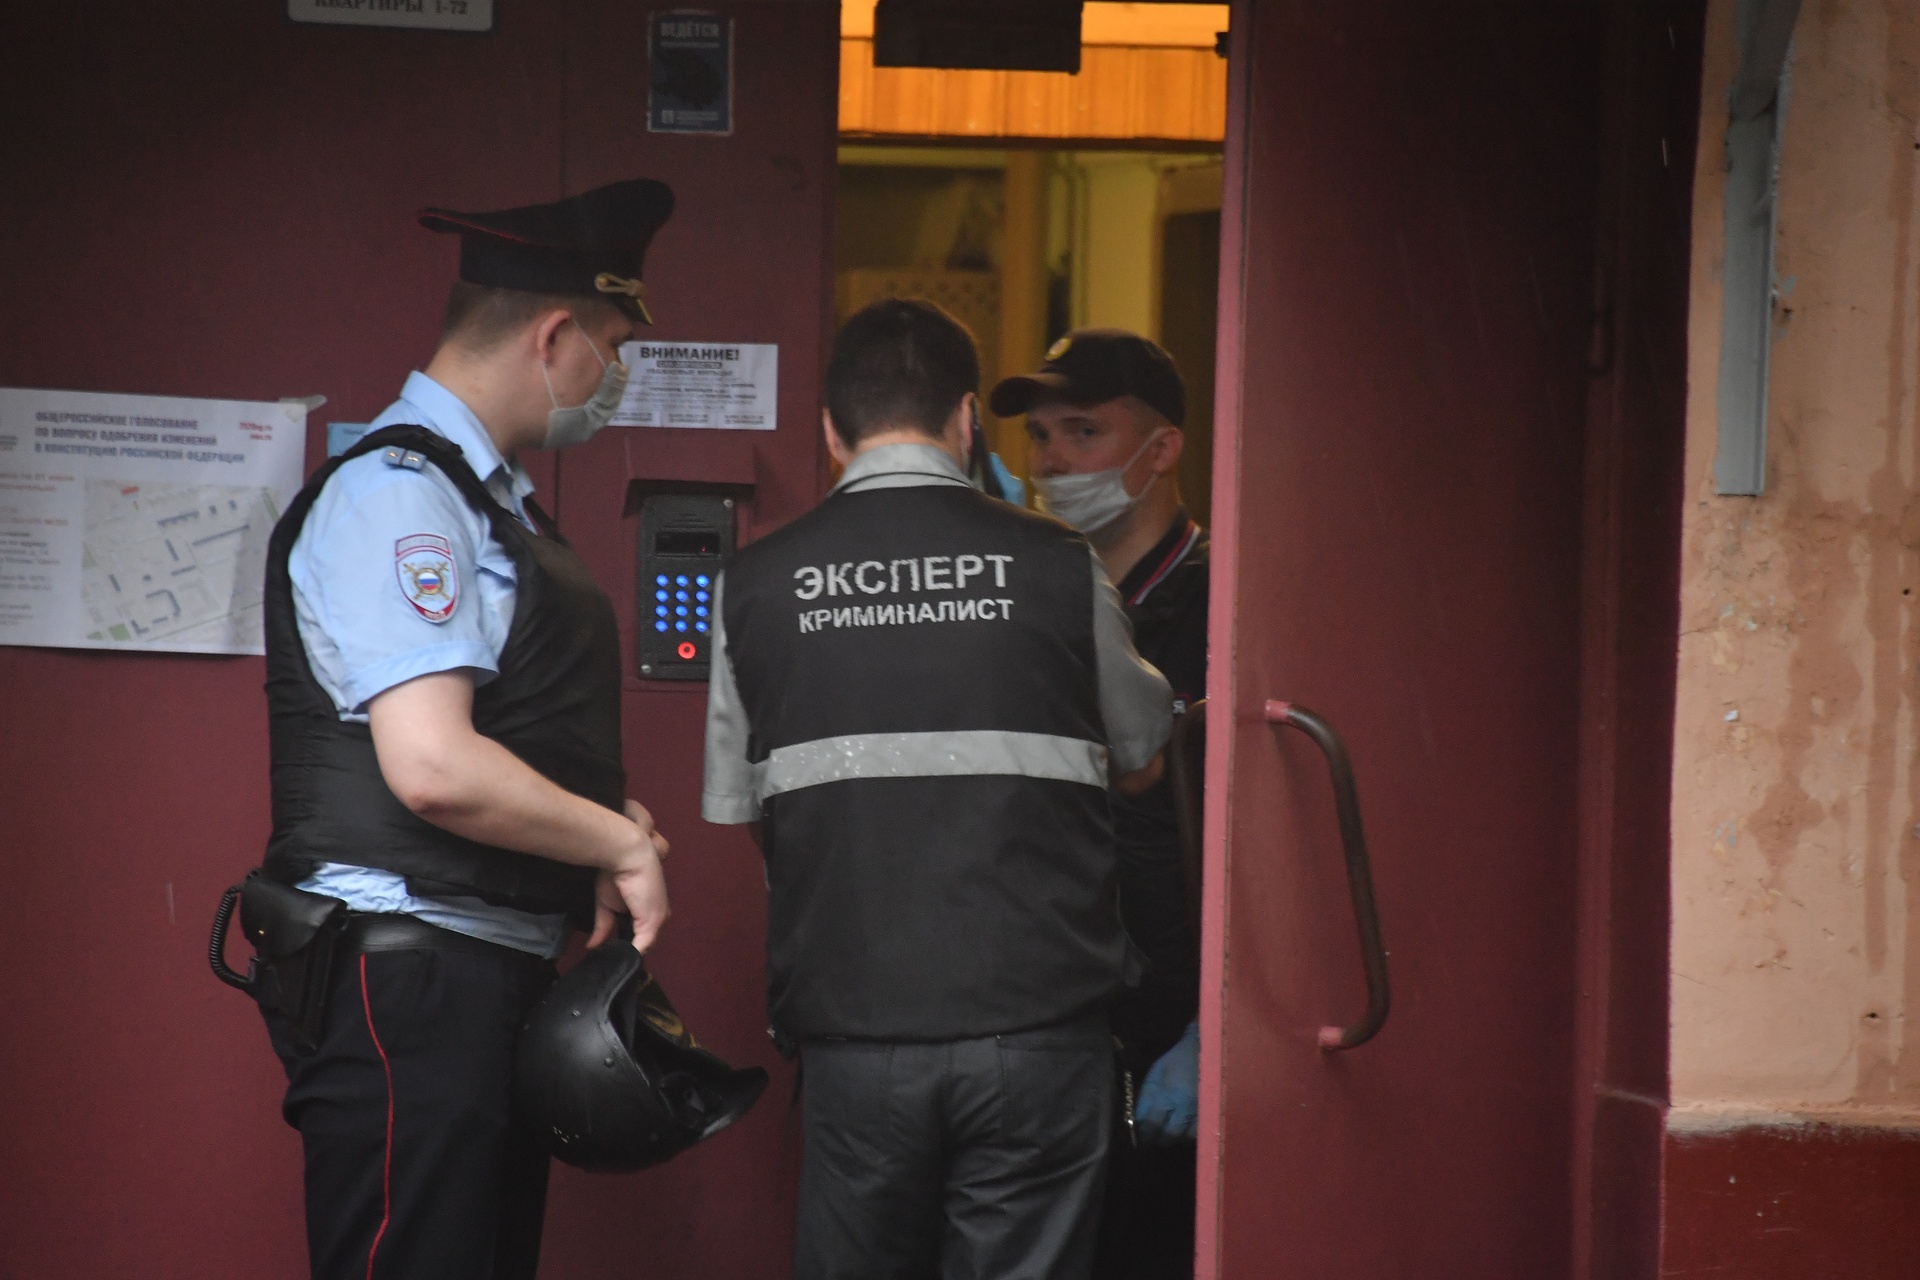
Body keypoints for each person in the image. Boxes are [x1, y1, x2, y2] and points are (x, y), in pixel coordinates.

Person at [249, 178, 676, 1280]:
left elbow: (505, 726)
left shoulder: (489, 498)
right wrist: (616, 842)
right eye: (616, 346)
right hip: (409, 975)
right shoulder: (402, 495)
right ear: (554, 336)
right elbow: (433, 764)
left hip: (476, 973)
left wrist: (592, 820)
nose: (616, 375)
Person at [701, 298, 1174, 1280]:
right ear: (967, 419)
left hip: (858, 1026)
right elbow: (1142, 761)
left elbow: (750, 813)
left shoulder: (753, 584)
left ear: (830, 432)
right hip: (1038, 1027)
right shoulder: (1059, 562)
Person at [991, 329, 1210, 1280]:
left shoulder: (1225, 603)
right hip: (1054, 1008)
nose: (1052, 463)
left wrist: (1215, 1025)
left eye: (1083, 432)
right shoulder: (1029, 597)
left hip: (1171, 1009)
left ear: (1161, 450)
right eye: (1040, 437)